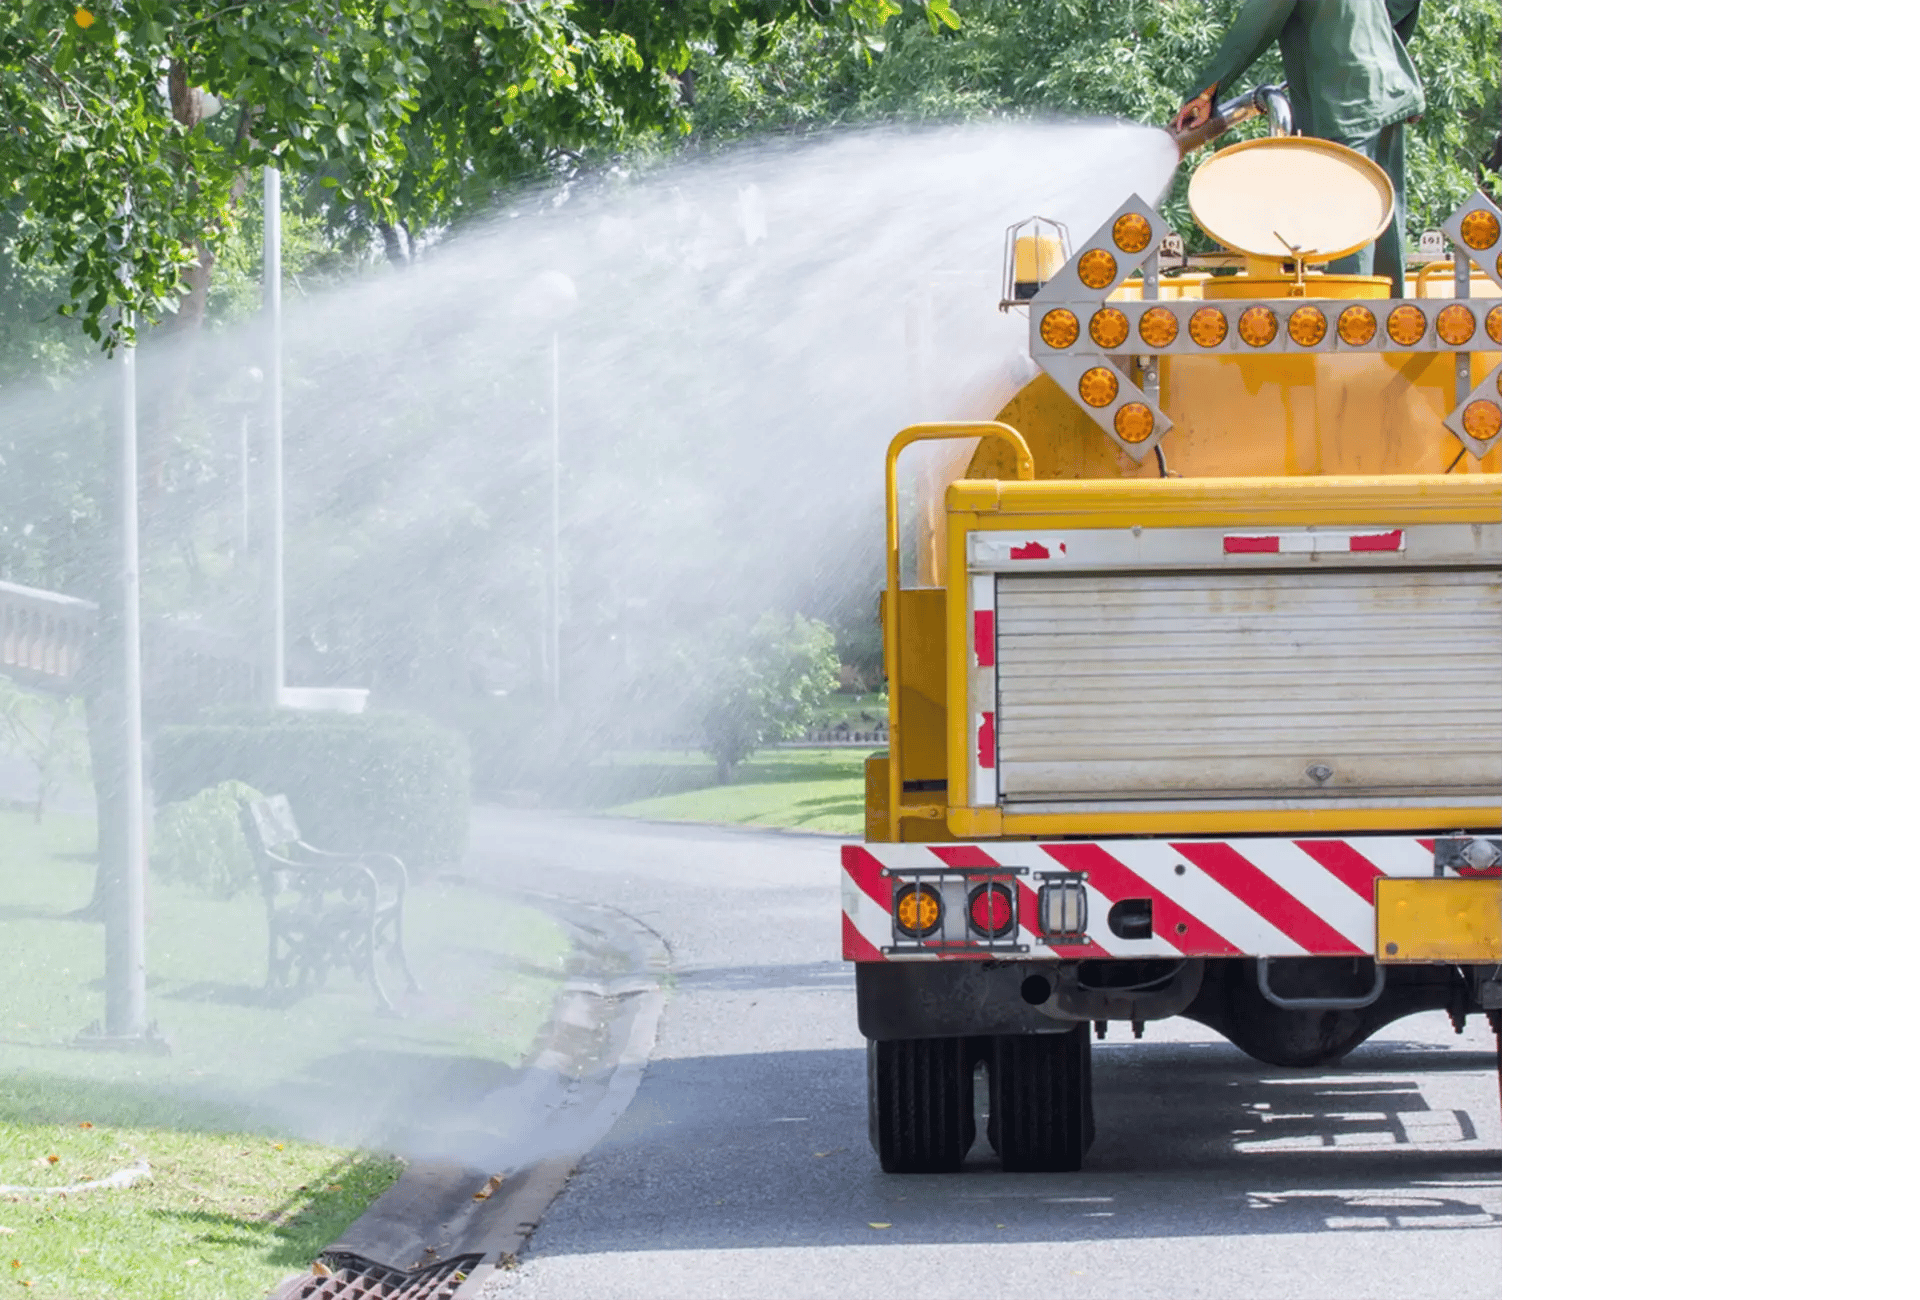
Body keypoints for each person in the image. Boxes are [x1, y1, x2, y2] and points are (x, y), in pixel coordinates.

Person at [1171, 1, 1424, 295]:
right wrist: (1377, 42)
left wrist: (1206, 91)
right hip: (1389, 87)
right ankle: (1392, 323)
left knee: (1352, 222)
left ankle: (1352, 327)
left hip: (1344, 98)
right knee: (1383, 215)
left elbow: (1257, 22)